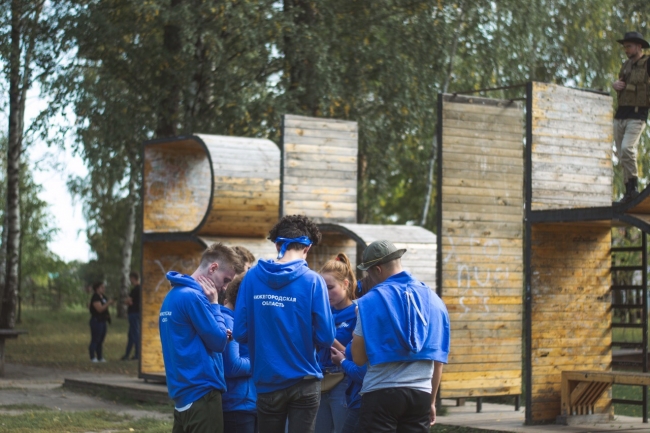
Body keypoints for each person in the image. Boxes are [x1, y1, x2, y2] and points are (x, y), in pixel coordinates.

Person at [233, 215, 335, 433]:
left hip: (268, 382)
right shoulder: (313, 281)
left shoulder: (251, 279)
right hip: (305, 381)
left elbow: (240, 333)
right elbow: (327, 337)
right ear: (307, 249)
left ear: (277, 244)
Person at [351, 240, 450, 433]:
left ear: (377, 269)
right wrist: (431, 401)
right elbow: (438, 361)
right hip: (421, 394)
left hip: (380, 394)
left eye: (368, 272)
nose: (368, 277)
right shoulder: (435, 301)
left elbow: (359, 358)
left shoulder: (369, 302)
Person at [159, 242, 244, 433]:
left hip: (182, 394)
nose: (224, 288)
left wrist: (219, 330)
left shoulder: (172, 295)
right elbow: (219, 342)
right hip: (202, 393)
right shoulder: (195, 298)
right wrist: (215, 306)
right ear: (213, 267)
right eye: (226, 280)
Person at [315, 253, 358, 433]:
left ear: (345, 284)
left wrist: (327, 336)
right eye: (322, 289)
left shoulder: (357, 311)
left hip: (343, 379)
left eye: (330, 287)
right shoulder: (322, 311)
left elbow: (357, 355)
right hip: (320, 378)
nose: (326, 293)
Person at [613, 31, 650, 203]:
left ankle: (634, 187)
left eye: (629, 46)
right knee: (622, 155)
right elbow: (621, 85)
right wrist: (616, 85)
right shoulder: (625, 65)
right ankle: (628, 192)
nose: (626, 49)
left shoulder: (648, 63)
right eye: (625, 47)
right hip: (620, 115)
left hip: (637, 115)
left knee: (628, 149)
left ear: (639, 46)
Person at [222, 272, 258, 433]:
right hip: (237, 406)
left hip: (246, 404)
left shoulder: (238, 320)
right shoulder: (229, 321)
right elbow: (233, 366)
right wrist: (263, 362)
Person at [89, 281, 114, 363]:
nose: (104, 289)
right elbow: (100, 309)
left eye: (104, 287)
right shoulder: (95, 297)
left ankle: (100, 356)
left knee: (101, 339)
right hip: (96, 320)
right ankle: (92, 357)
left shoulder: (103, 297)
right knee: (95, 339)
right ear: (97, 288)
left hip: (103, 320)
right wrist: (108, 303)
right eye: (102, 287)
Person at [122, 271, 141, 361]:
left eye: (131, 279)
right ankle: (127, 354)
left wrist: (127, 301)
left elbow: (128, 301)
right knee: (131, 334)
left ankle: (137, 354)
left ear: (133, 278)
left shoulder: (136, 289)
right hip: (137, 313)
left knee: (135, 334)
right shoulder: (141, 289)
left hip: (134, 313)